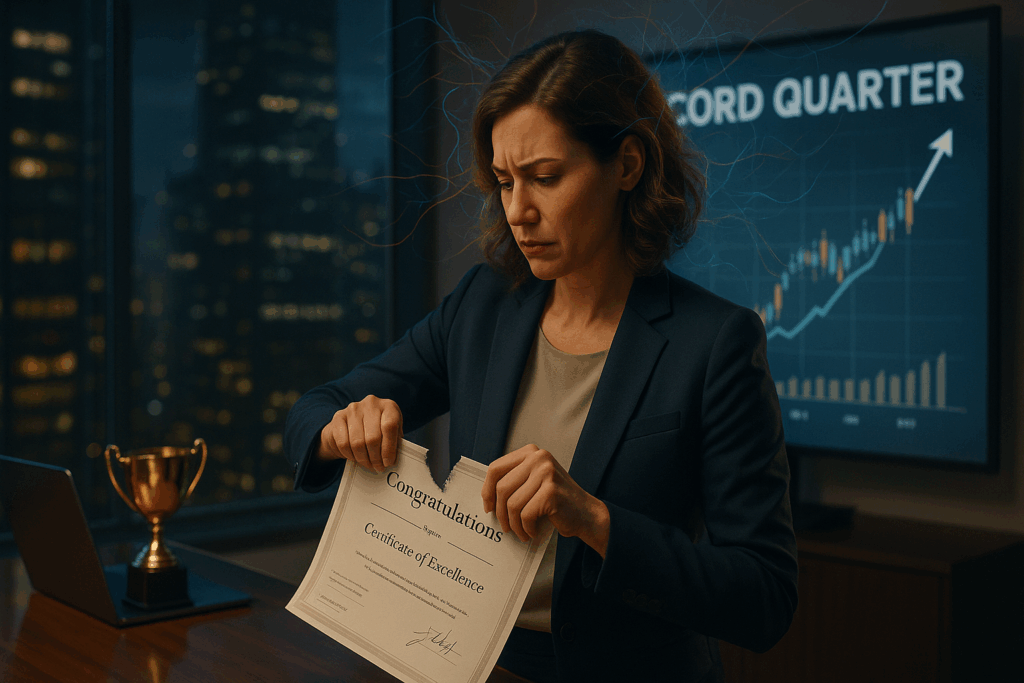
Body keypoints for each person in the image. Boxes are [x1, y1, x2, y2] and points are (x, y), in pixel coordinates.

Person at [284, 29, 797, 683]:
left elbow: (764, 595)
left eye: (545, 178)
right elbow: (313, 410)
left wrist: (596, 520)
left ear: (628, 165)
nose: (517, 211)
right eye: (504, 182)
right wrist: (341, 427)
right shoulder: (483, 305)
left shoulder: (716, 342)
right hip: (477, 665)